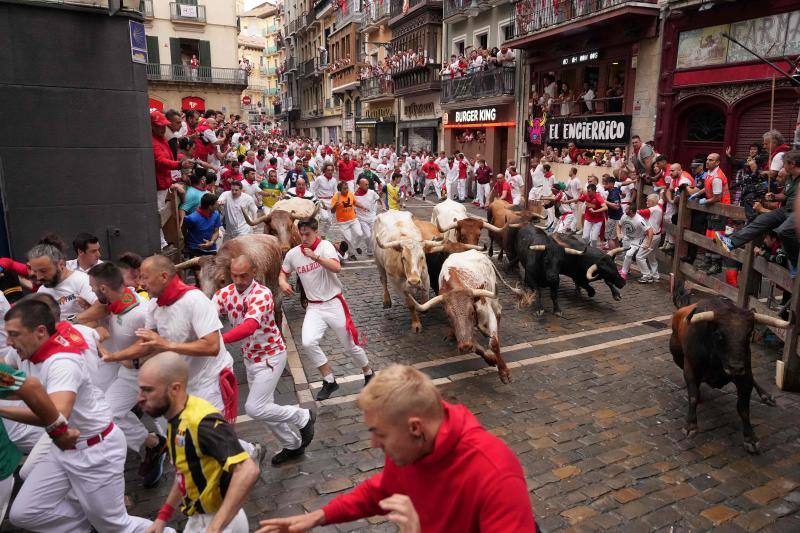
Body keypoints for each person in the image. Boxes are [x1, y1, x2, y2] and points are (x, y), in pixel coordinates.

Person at [256, 364, 536, 533]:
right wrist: (317, 517)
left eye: (380, 433)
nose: (374, 444)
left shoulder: (496, 474)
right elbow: (382, 489)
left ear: (415, 428)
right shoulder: (409, 449)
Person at [3, 299, 161, 532]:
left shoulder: (61, 362)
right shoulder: (41, 351)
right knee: (25, 512)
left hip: (94, 450)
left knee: (115, 526)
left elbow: (56, 416)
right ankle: (89, 519)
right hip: (63, 446)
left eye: (14, 334)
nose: (8, 341)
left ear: (40, 332)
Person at [100, 255, 238, 424]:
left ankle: (250, 450)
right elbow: (147, 344)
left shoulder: (196, 300)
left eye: (145, 277)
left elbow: (212, 346)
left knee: (212, 436)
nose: (140, 284)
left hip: (209, 382)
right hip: (182, 382)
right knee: (182, 434)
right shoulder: (154, 305)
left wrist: (166, 344)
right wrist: (113, 357)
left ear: (164, 277)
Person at [139, 352, 259, 533]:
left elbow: (248, 470)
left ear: (175, 389)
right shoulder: (175, 418)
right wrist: (162, 517)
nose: (139, 398)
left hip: (221, 521)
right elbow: (185, 473)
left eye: (148, 390)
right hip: (199, 518)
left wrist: (215, 527)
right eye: (140, 389)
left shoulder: (201, 423)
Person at [213, 256, 315, 466]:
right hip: (250, 358)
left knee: (254, 407)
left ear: (254, 272)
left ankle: (302, 416)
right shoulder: (224, 294)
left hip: (271, 357)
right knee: (266, 408)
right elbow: (206, 313)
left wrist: (218, 341)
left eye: (244, 276)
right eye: (235, 276)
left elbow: (249, 326)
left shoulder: (262, 293)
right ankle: (292, 444)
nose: (239, 280)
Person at [279, 218, 373, 401]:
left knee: (350, 345)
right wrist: (282, 281)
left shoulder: (326, 246)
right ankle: (329, 380)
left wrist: (316, 257)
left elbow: (336, 268)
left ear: (316, 232)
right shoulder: (293, 254)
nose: (304, 238)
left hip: (333, 303)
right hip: (314, 307)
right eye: (301, 234)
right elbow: (284, 271)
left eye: (308, 234)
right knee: (307, 342)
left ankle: (368, 372)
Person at [717, 150, 800, 270]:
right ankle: (731, 243)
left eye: (784, 163)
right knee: (761, 220)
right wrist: (773, 196)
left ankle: (794, 263)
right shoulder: (790, 177)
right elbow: (785, 196)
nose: (783, 166)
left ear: (792, 164)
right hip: (786, 210)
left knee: (784, 231)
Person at [28, 242, 97, 320]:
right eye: (35, 271)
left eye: (43, 271)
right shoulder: (42, 291)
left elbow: (102, 307)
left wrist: (69, 323)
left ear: (61, 264)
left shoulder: (81, 280)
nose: (39, 277)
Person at [331, 181, 369, 260]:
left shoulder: (350, 194)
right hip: (342, 222)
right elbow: (332, 211)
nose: (346, 190)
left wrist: (362, 206)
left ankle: (356, 246)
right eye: (344, 189)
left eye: (347, 188)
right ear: (340, 190)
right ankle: (351, 254)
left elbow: (355, 203)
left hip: (353, 219)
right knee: (348, 238)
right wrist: (335, 206)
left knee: (360, 233)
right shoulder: (336, 196)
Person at [616, 204, 653, 281]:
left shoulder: (639, 220)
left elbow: (650, 231)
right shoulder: (624, 216)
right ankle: (626, 269)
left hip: (636, 240)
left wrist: (648, 243)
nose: (625, 210)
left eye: (627, 209)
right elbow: (619, 225)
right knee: (625, 254)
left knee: (629, 254)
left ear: (631, 211)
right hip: (626, 238)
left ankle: (624, 273)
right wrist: (619, 234)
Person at [565, 183, 607, 247]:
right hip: (588, 219)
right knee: (585, 237)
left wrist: (595, 211)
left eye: (589, 191)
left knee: (594, 239)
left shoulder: (598, 197)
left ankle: (593, 250)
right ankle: (589, 246)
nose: (587, 192)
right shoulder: (586, 195)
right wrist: (566, 202)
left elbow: (605, 207)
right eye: (587, 191)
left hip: (598, 220)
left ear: (593, 191)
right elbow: (577, 199)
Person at [636, 194, 663, 283]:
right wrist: (662, 193)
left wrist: (629, 210)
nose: (646, 202)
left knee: (639, 256)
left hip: (651, 237)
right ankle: (655, 275)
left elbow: (639, 212)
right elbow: (661, 200)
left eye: (648, 201)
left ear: (654, 202)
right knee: (651, 256)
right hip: (657, 236)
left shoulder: (653, 209)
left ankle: (646, 275)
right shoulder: (659, 206)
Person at [355, 177, 381, 256]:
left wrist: (383, 205)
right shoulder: (354, 195)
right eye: (366, 185)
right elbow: (353, 206)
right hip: (362, 218)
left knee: (373, 235)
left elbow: (379, 198)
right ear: (360, 185)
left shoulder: (372, 192)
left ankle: (369, 250)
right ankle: (357, 247)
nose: (367, 186)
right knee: (368, 235)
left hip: (372, 217)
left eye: (368, 184)